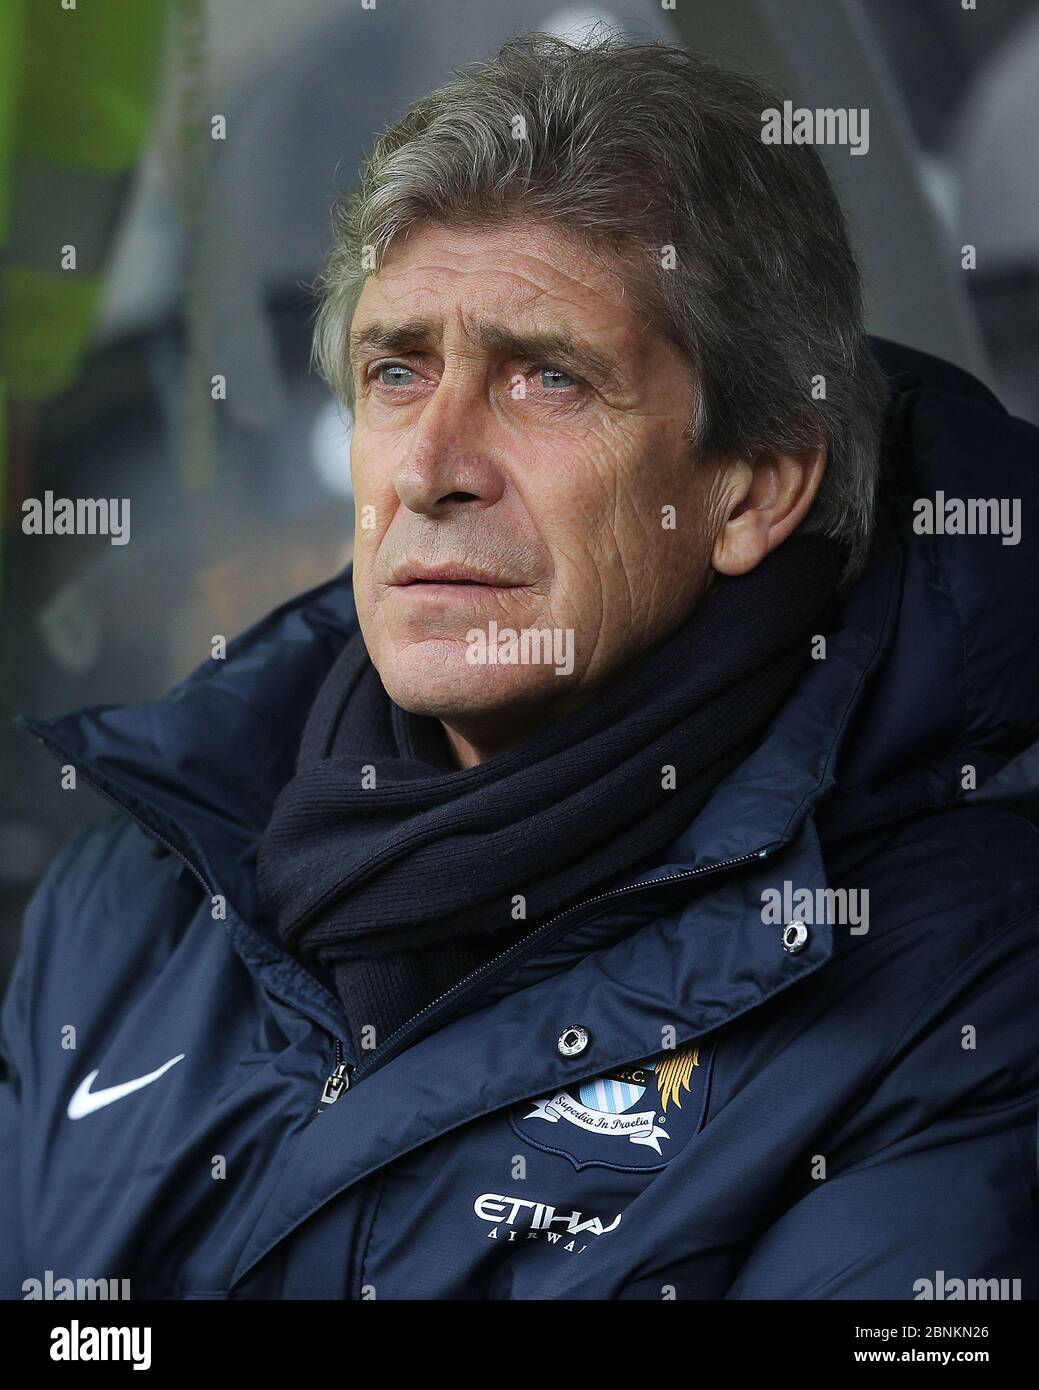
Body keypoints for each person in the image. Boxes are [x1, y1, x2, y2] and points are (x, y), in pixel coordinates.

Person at [3, 32, 1038, 1301]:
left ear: (755, 487)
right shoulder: (134, 891)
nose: (431, 466)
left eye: (545, 378)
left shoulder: (962, 977)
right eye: (396, 371)